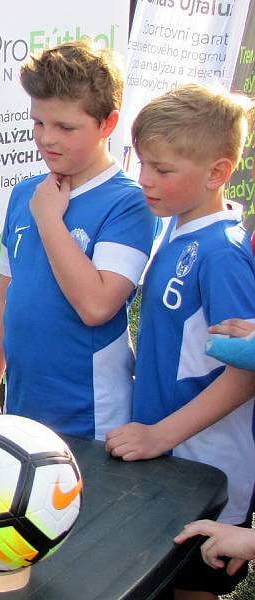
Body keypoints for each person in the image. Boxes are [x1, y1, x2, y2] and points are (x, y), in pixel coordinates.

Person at [105, 84, 255, 599]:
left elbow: (246, 373)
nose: (145, 180)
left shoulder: (223, 254)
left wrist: (160, 435)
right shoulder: (175, 228)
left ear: (217, 172)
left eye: (163, 170)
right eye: (141, 163)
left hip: (211, 472)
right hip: (169, 463)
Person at [0, 41, 155, 441]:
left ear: (108, 124)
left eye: (65, 127)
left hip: (92, 421)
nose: (47, 139)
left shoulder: (128, 202)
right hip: (23, 413)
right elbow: (4, 295)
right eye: (39, 123)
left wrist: (50, 219)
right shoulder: (26, 194)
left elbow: (96, 306)